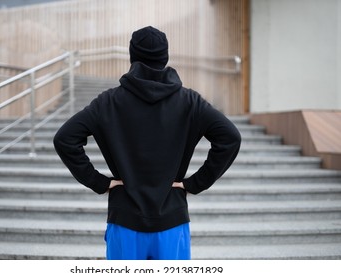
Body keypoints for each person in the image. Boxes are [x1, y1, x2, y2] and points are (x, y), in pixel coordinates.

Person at [53, 26, 241, 260]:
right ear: (165, 57)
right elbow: (230, 138)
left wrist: (100, 182)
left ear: (132, 57)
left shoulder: (109, 102)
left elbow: (64, 139)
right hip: (172, 219)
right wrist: (194, 184)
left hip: (125, 220)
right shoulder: (190, 101)